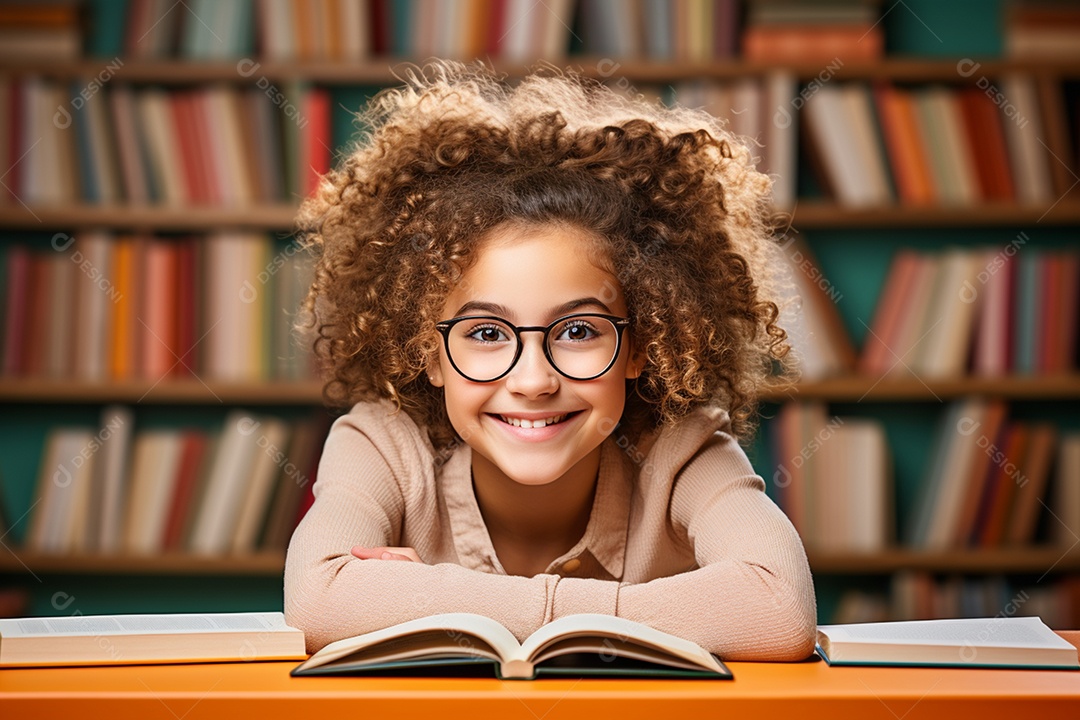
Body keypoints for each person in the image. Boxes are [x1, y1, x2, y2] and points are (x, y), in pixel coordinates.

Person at [284, 59, 816, 661]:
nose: (534, 381)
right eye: (485, 333)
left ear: (640, 345)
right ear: (426, 353)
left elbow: (778, 609)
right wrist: (648, 612)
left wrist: (431, 600)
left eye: (579, 330)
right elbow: (316, 598)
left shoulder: (682, 450)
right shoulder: (381, 442)